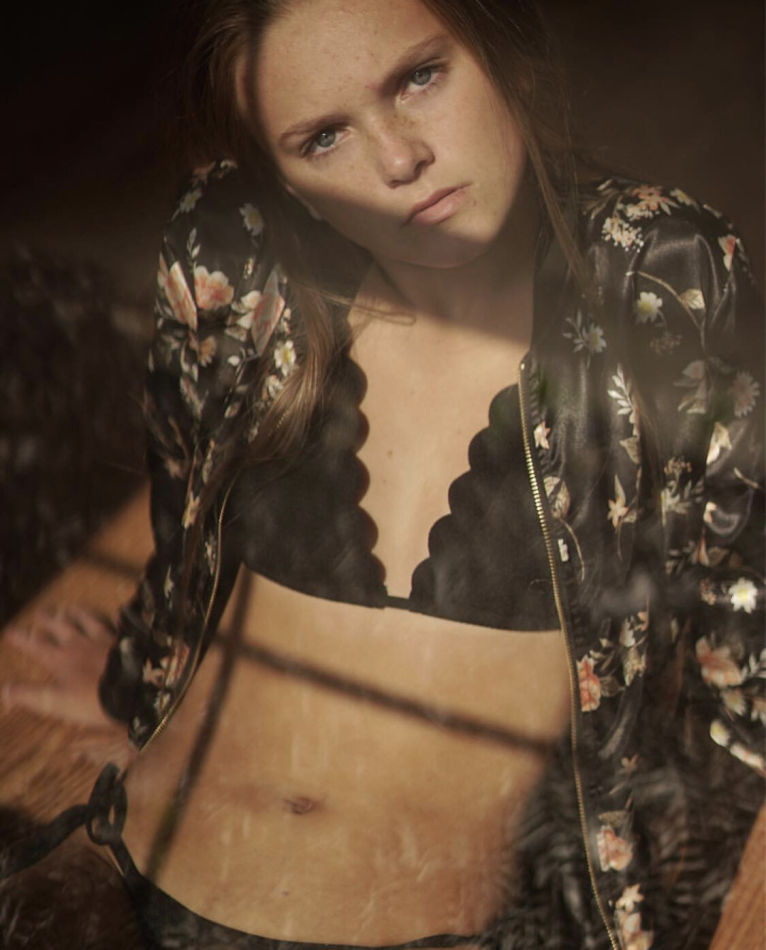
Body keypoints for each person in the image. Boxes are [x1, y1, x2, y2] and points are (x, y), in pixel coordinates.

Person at [1, 0, 763, 947]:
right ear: (283, 178)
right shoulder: (240, 260)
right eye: (323, 138)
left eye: (419, 77)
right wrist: (140, 677)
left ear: (500, 48)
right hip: (131, 875)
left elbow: (742, 610)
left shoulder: (656, 270)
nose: (399, 159)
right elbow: (184, 512)